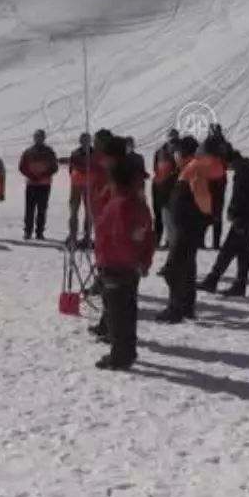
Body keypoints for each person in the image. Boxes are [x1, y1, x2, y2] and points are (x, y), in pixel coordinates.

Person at [93, 158, 155, 370]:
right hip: (128, 266)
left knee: (118, 313)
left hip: (116, 266)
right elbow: (148, 236)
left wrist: (132, 261)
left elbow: (122, 238)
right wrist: (143, 261)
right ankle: (127, 350)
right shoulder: (136, 204)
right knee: (126, 310)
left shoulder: (123, 205)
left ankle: (120, 356)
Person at [157, 136, 214, 323]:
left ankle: (176, 308)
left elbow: (203, 197)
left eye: (177, 152)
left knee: (173, 270)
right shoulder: (190, 168)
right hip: (187, 227)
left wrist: (204, 218)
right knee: (187, 268)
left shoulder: (193, 168)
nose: (174, 155)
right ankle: (187, 306)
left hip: (186, 228)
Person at [199, 153, 249, 297]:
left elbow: (240, 196)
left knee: (228, 250)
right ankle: (239, 284)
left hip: (243, 219)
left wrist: (233, 213)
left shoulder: (243, 172)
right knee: (244, 253)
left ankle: (213, 280)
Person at [18, 130, 58, 240]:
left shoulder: (49, 152)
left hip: (44, 184)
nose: (38, 139)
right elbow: (22, 166)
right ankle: (28, 231)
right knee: (29, 208)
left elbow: (54, 167)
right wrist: (31, 175)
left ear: (44, 138)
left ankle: (39, 232)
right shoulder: (28, 152)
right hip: (31, 183)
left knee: (42, 209)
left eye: (40, 137)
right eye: (37, 137)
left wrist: (42, 175)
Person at [202, 125, 232, 249]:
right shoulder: (220, 144)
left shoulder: (209, 144)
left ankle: (213, 242)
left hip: (214, 181)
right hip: (214, 180)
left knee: (210, 212)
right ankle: (214, 242)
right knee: (212, 213)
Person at [151, 129, 180, 246]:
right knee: (159, 215)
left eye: (174, 140)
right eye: (171, 140)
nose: (173, 143)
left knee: (172, 215)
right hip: (159, 186)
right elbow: (155, 168)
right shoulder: (159, 152)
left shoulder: (180, 152)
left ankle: (171, 240)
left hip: (174, 187)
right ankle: (157, 239)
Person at [66, 133, 92, 244]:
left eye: (87, 140)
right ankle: (73, 236)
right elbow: (71, 168)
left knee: (89, 212)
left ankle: (87, 236)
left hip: (90, 185)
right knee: (73, 211)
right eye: (83, 140)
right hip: (76, 184)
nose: (84, 142)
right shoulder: (75, 153)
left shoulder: (94, 153)